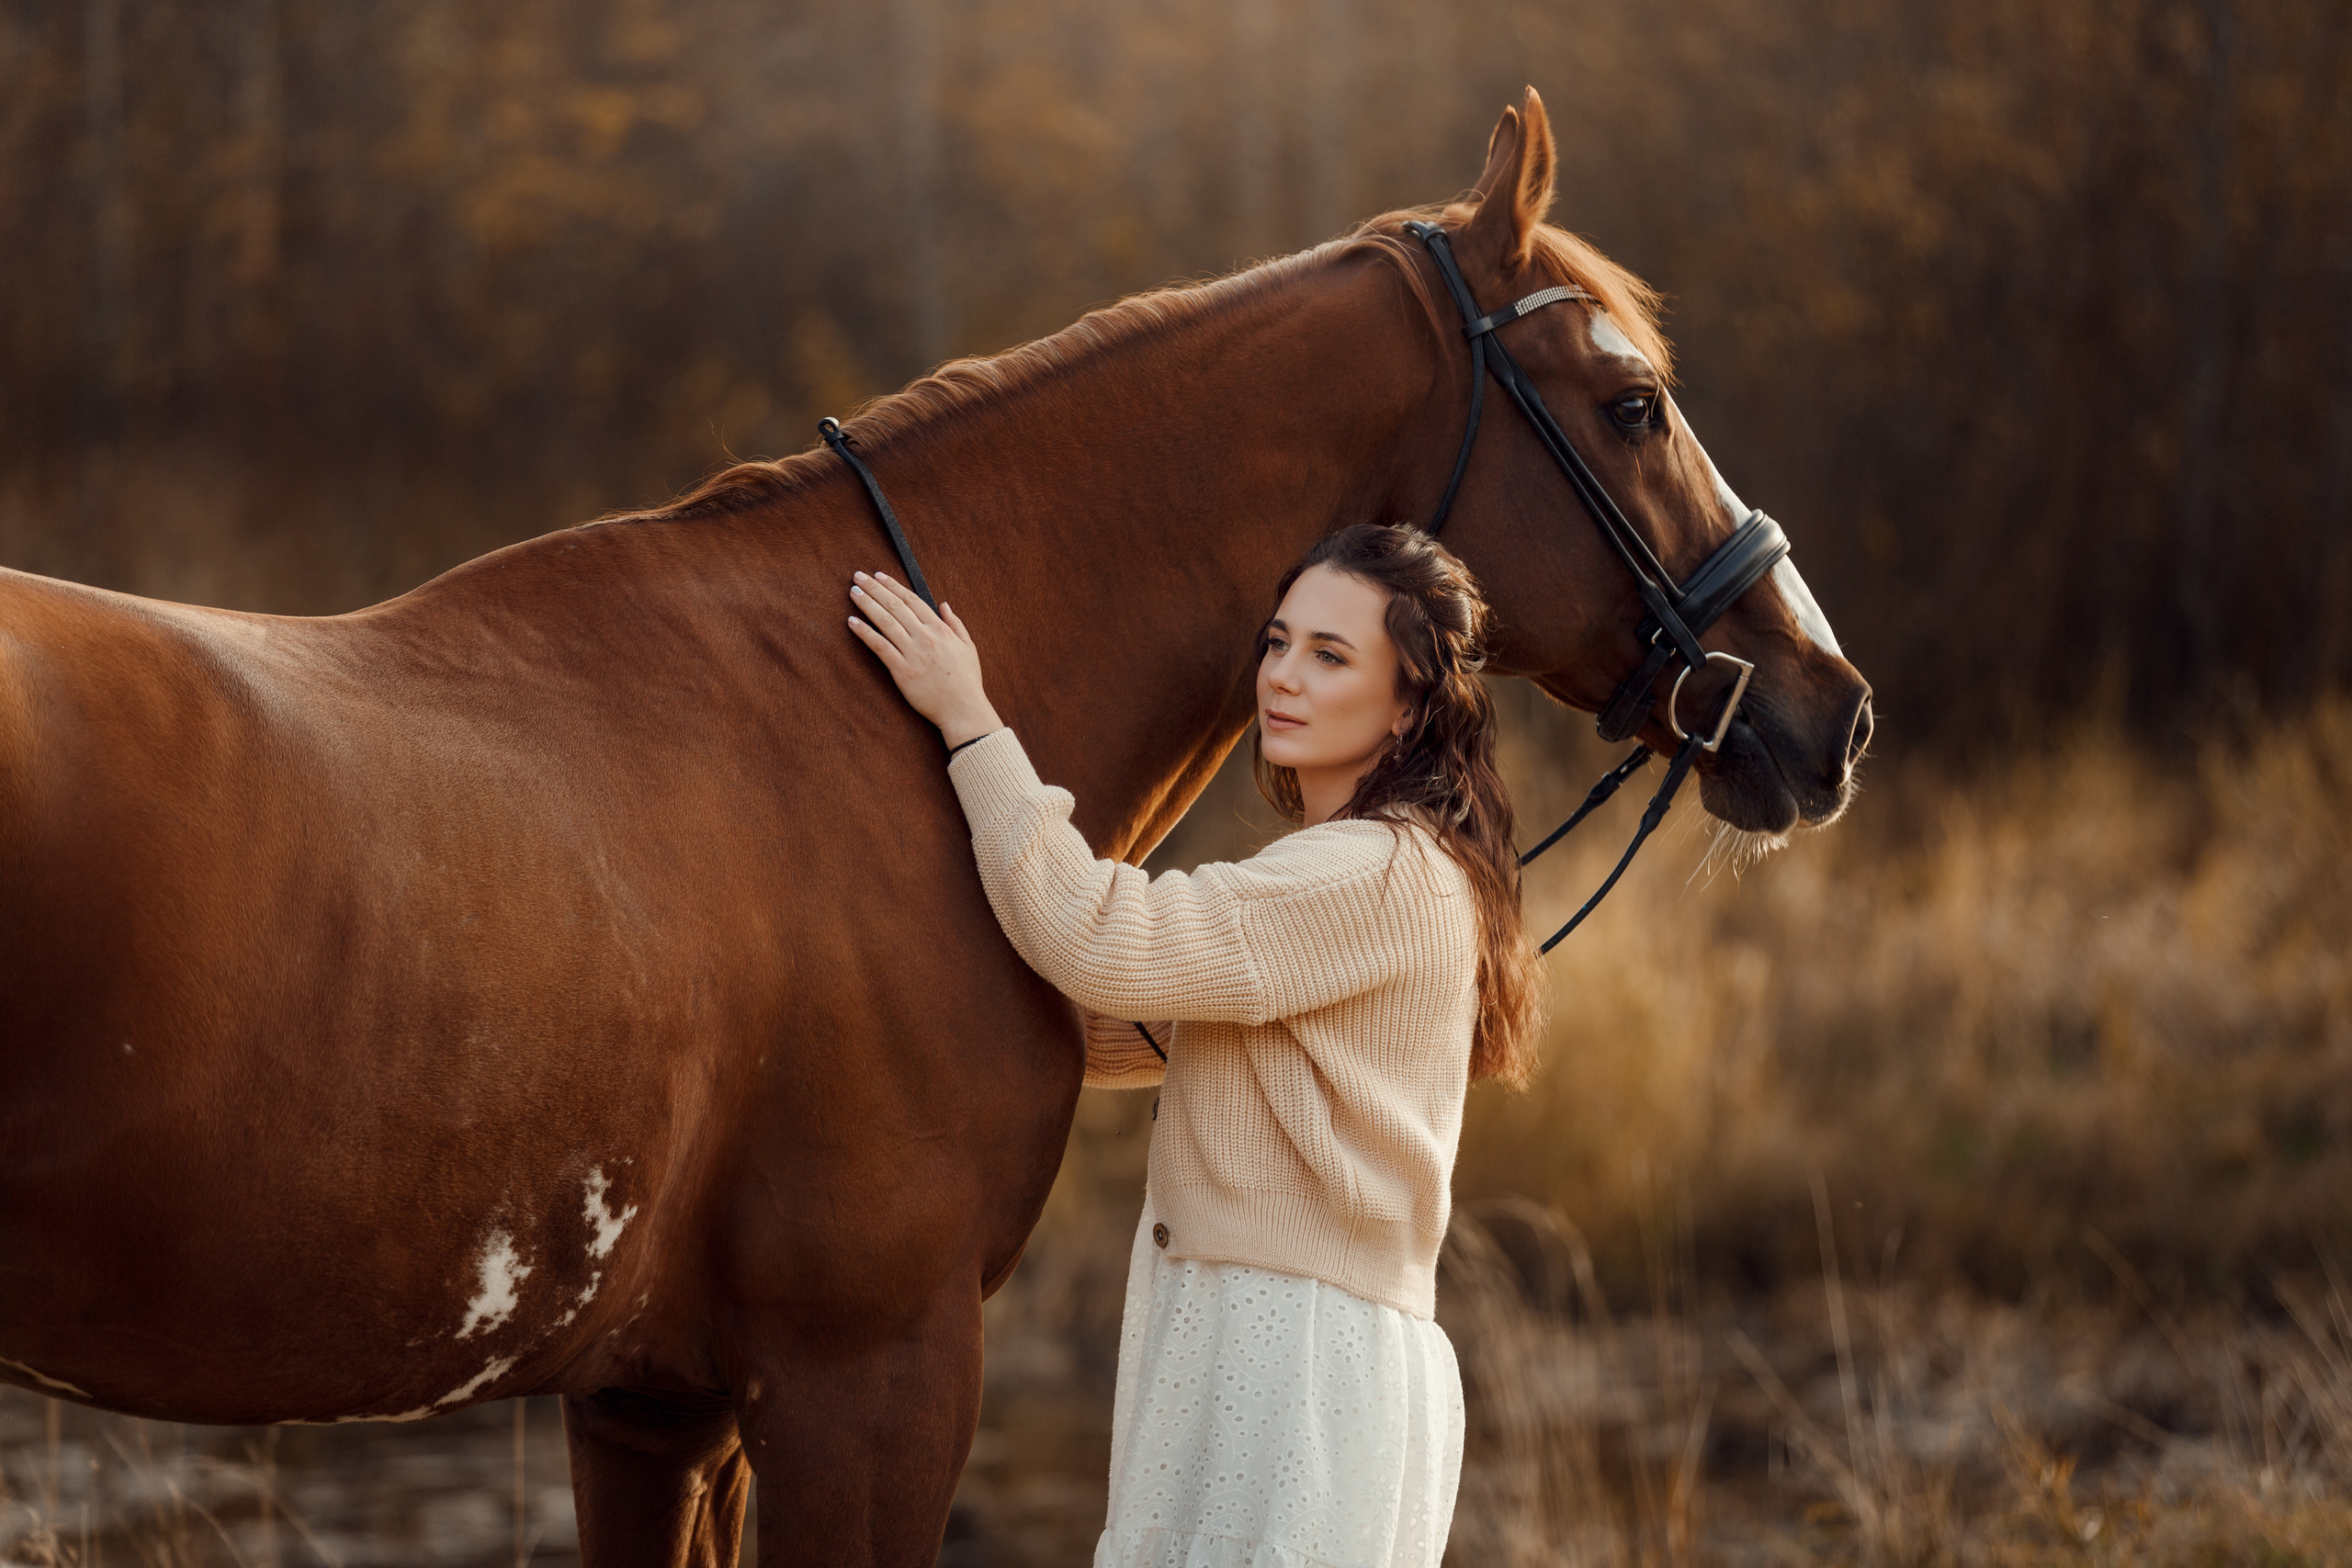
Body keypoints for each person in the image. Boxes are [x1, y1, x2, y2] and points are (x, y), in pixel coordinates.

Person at [846, 523, 1542, 1568]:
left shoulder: (1370, 872)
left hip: (1286, 1345)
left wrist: (968, 719)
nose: (1284, 678)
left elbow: (1099, 936)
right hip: (1280, 1328)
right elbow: (1150, 1022)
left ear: (1407, 707)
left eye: (1329, 655)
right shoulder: (1379, 866)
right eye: (1277, 642)